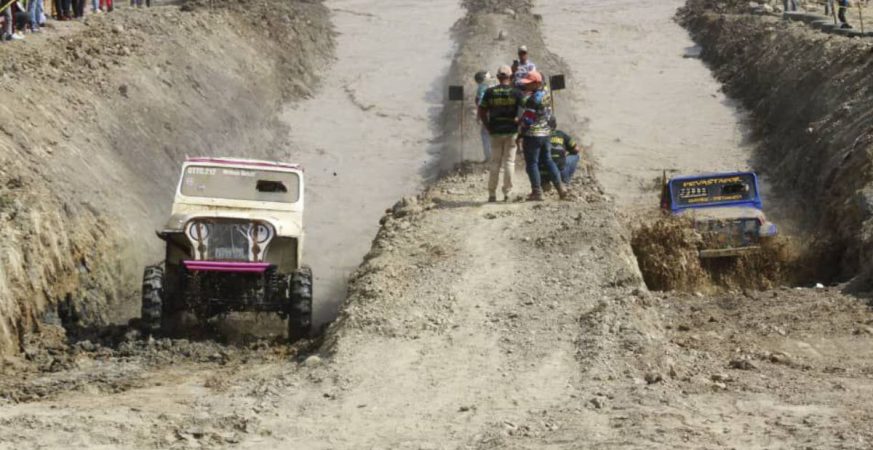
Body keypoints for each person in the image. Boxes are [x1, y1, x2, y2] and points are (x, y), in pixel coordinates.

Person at [517, 70, 568, 201]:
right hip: (546, 134)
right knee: (548, 160)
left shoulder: (532, 100)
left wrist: (520, 133)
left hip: (533, 135)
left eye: (529, 83)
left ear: (537, 83)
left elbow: (528, 120)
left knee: (532, 163)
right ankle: (560, 188)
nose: (527, 85)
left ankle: (537, 192)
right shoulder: (545, 94)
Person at [478, 65, 523, 203]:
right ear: (511, 76)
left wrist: (488, 126)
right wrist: (519, 125)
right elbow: (524, 111)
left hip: (495, 131)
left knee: (495, 163)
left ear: (498, 77)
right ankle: (507, 193)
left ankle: (492, 194)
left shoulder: (489, 92)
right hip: (511, 132)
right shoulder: (517, 93)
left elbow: (481, 111)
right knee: (509, 162)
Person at [539, 117, 582, 190]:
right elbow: (576, 149)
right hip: (559, 170)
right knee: (575, 156)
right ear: (555, 125)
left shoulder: (538, 137)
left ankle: (544, 182)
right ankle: (565, 181)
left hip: (542, 172)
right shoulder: (561, 134)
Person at [474, 70, 493, 163]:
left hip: (487, 113)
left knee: (485, 134)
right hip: (495, 112)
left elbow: (481, 104)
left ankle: (489, 156)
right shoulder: (491, 86)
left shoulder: (481, 88)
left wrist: (478, 116)